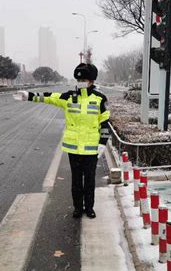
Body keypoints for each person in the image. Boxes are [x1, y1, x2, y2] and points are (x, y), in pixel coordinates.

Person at [14, 63, 111, 219]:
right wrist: (29, 95)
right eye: (79, 79)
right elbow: (49, 98)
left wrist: (102, 143)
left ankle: (90, 207)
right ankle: (78, 207)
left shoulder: (100, 99)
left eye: (85, 79)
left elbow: (105, 122)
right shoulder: (69, 96)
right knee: (76, 181)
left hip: (92, 148)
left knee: (90, 181)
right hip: (73, 148)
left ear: (92, 81)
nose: (81, 82)